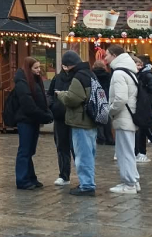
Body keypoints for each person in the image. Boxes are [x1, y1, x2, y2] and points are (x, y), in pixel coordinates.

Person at [56, 50, 98, 196]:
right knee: (89, 154)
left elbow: (72, 99)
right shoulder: (90, 74)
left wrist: (61, 94)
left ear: (67, 65)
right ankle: (88, 182)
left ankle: (87, 186)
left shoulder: (78, 77)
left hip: (81, 120)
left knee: (83, 155)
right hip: (91, 119)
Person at [13, 57, 53, 190]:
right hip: (26, 120)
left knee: (30, 150)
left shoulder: (34, 80)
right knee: (24, 150)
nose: (38, 70)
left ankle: (30, 177)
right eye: (35, 68)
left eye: (39, 67)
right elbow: (27, 103)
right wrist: (43, 115)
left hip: (33, 119)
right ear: (28, 68)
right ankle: (22, 180)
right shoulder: (22, 81)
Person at [106, 45, 140, 194]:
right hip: (129, 116)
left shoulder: (119, 73)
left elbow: (120, 98)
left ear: (114, 55)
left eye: (107, 55)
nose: (105, 58)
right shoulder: (129, 71)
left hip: (124, 117)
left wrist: (110, 110)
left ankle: (129, 184)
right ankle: (133, 180)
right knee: (128, 151)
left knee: (124, 152)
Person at [46, 56, 75, 186]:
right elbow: (50, 94)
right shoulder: (57, 78)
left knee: (76, 148)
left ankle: (84, 177)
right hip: (59, 117)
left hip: (74, 118)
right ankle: (64, 175)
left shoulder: (77, 78)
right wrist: (52, 105)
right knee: (62, 147)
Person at [93, 59, 115, 145]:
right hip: (106, 98)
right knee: (107, 119)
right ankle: (109, 138)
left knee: (97, 117)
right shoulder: (108, 75)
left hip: (96, 98)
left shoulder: (92, 75)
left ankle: (100, 137)